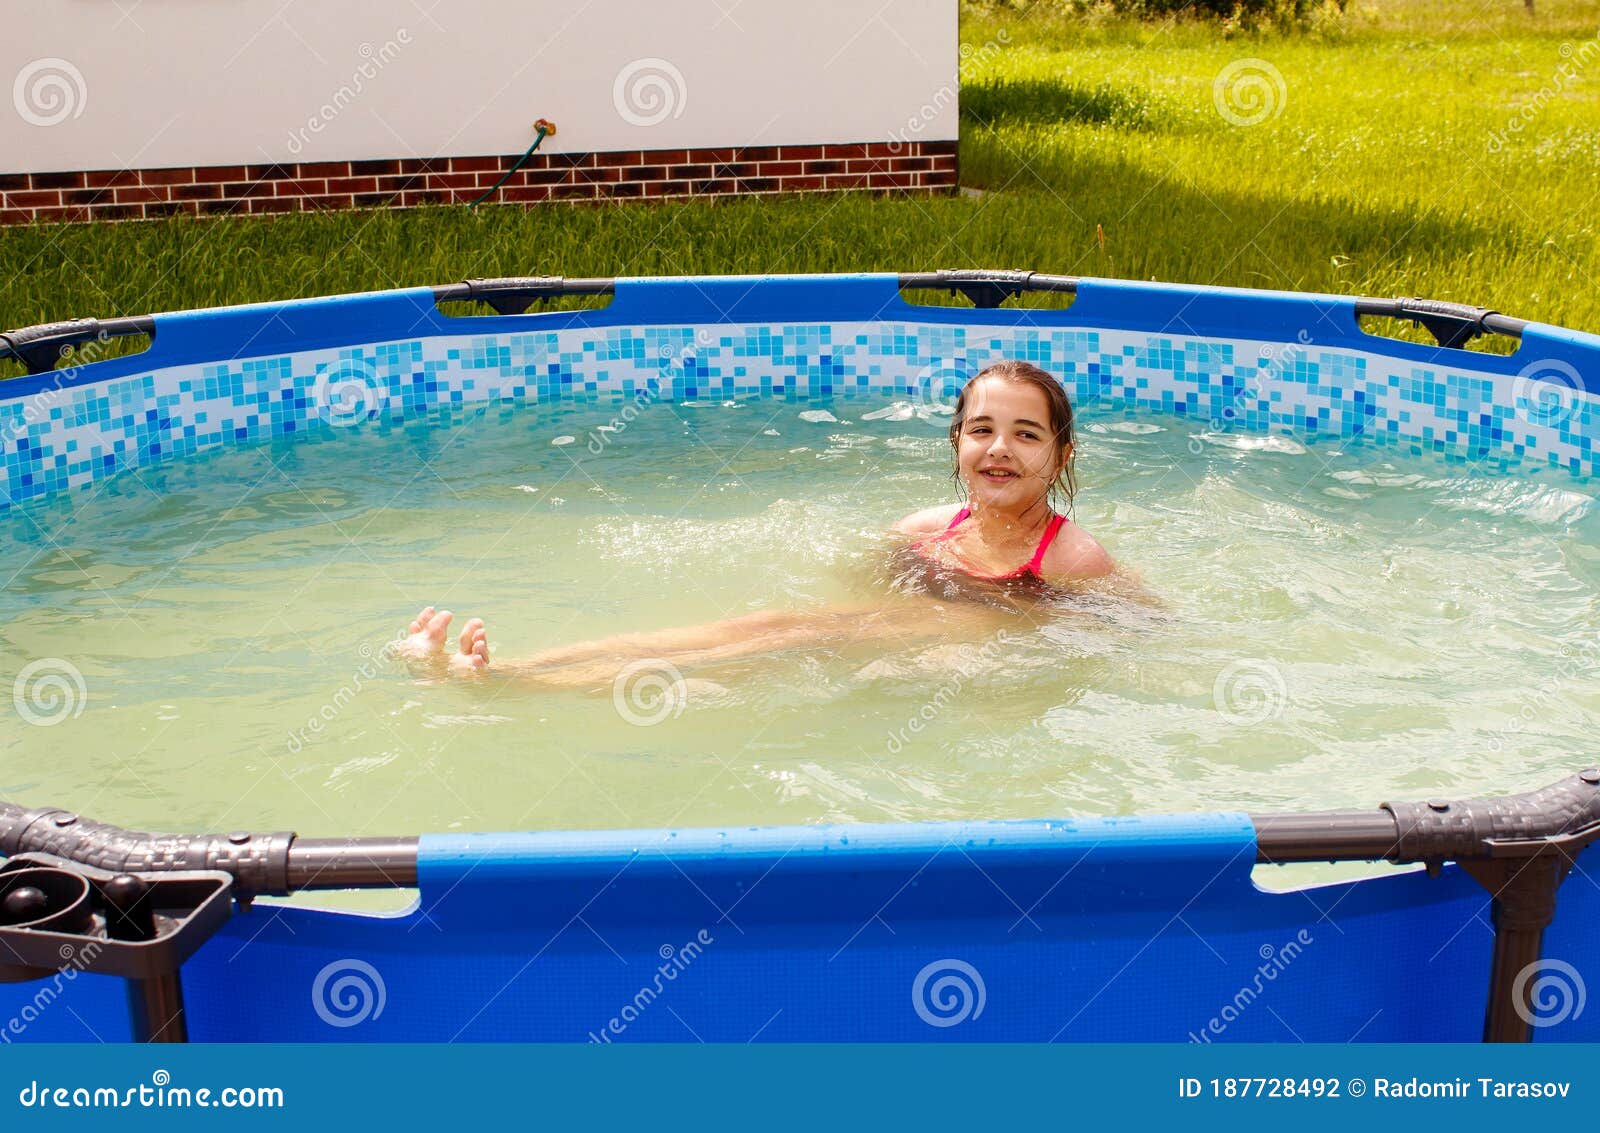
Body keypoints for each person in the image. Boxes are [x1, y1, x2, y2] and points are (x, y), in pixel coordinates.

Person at [397, 359, 1132, 687]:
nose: (999, 448)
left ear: (1061, 453)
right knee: (764, 623)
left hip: (934, 654)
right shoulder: (928, 527)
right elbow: (863, 580)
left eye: (1026, 434)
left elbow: (1136, 632)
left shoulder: (1070, 557)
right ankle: (521, 665)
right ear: (956, 443)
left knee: (768, 653)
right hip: (882, 629)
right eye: (981, 429)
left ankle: (512, 685)